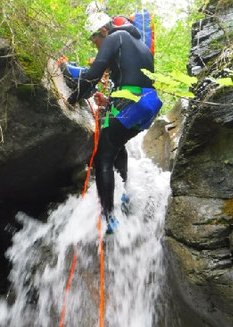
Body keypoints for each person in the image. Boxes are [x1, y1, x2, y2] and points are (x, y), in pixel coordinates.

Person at [66, 12, 162, 234]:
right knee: (116, 144)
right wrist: (109, 100)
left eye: (94, 40)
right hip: (147, 106)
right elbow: (136, 81)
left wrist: (72, 99)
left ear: (102, 31)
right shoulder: (141, 47)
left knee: (103, 158)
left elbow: (92, 76)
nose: (96, 45)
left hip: (131, 103)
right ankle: (125, 195)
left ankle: (109, 217)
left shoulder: (114, 38)